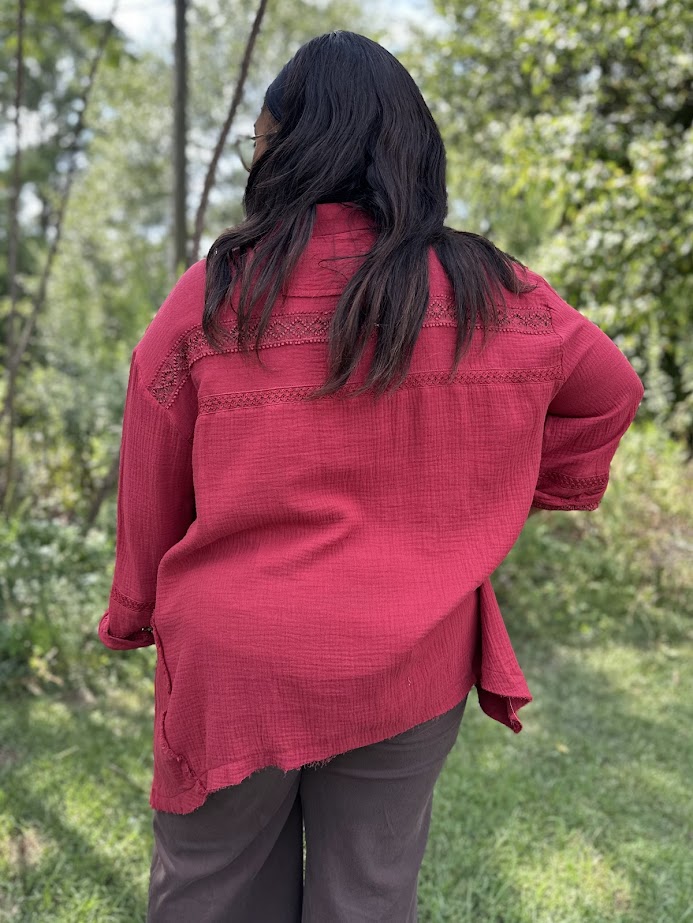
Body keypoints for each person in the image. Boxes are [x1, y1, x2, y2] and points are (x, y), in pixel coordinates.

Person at [97, 31, 645, 923]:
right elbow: (610, 390)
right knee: (368, 899)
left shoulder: (217, 290)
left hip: (239, 662)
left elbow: (152, 471)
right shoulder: (490, 287)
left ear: (289, 149)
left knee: (211, 896)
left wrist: (135, 615)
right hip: (411, 650)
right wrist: (505, 486)